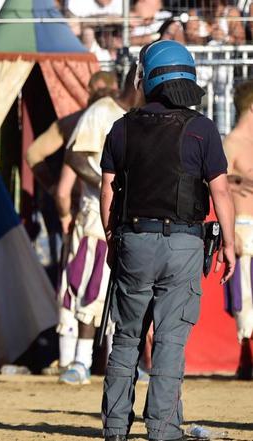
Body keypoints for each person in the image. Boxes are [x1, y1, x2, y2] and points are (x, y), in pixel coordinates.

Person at [99, 40, 235, 441]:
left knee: (125, 339)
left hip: (133, 240)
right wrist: (229, 245)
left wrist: (112, 240)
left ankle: (115, 429)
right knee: (171, 342)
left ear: (147, 77)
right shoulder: (202, 129)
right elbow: (220, 192)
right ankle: (162, 430)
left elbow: (108, 189)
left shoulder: (121, 127)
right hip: (184, 245)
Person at [55, 66, 140, 386]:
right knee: (90, 285)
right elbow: (75, 156)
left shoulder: (143, 117)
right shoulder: (101, 111)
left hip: (130, 215)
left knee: (125, 289)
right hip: (95, 214)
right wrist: (105, 183)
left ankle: (120, 362)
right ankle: (80, 360)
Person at [221, 79, 253, 380]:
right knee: (246, 298)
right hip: (245, 228)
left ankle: (247, 360)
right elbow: (217, 188)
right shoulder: (230, 143)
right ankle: (248, 359)